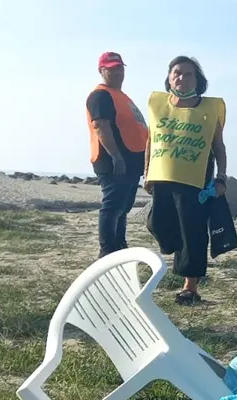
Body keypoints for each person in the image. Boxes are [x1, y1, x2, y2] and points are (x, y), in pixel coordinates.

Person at [143, 56, 228, 305]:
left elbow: (219, 147)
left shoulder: (210, 108)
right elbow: (151, 140)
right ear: (169, 77)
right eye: (176, 72)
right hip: (162, 176)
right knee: (156, 223)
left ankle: (190, 286)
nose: (181, 77)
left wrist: (221, 177)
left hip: (196, 179)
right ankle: (177, 251)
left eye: (188, 74)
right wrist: (146, 171)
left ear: (197, 79)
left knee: (193, 232)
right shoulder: (157, 104)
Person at [87, 52, 148, 259]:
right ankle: (106, 251)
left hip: (131, 160)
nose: (117, 72)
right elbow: (100, 126)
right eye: (111, 68)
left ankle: (119, 245)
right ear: (101, 71)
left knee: (123, 207)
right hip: (114, 161)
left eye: (120, 68)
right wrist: (116, 157)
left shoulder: (120, 95)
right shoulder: (100, 95)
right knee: (112, 206)